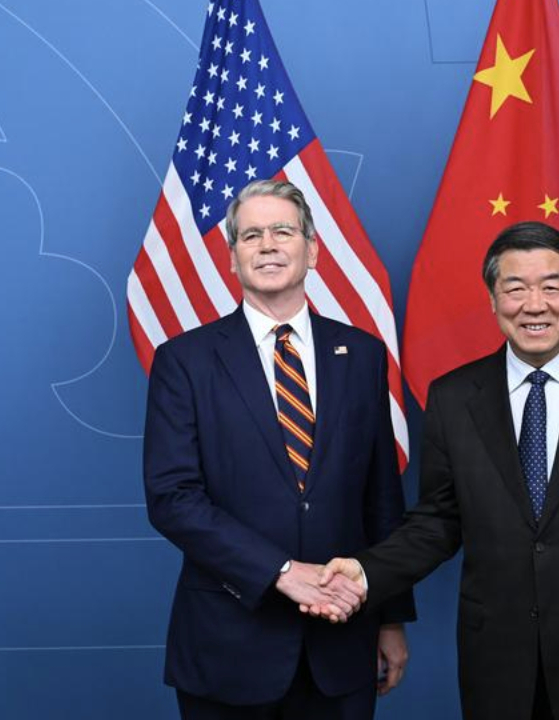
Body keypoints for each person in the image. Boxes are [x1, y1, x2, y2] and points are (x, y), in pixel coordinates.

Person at [313, 221, 559, 720]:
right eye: (515, 289)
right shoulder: (452, 398)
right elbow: (437, 523)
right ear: (493, 300)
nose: (535, 305)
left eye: (551, 287)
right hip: (497, 662)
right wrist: (364, 573)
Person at [143, 179, 415, 720]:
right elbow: (173, 499)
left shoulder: (362, 354)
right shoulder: (184, 361)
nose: (267, 245)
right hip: (229, 645)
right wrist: (282, 571)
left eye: (282, 231)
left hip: (342, 643)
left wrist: (389, 617)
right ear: (232, 258)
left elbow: (381, 496)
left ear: (312, 251)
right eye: (251, 235)